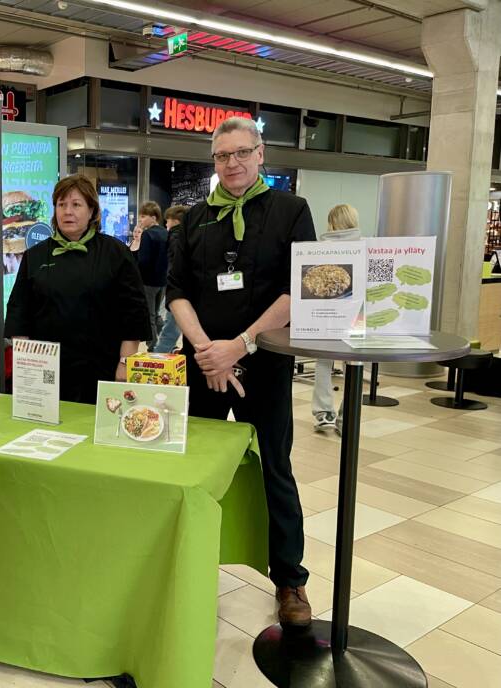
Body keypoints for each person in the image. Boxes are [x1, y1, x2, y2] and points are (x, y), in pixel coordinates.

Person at [165, 116, 317, 627]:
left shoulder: (291, 211)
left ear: (260, 154)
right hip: (203, 364)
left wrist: (241, 346)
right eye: (221, 155)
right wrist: (208, 350)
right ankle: (187, 565)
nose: (231, 163)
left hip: (267, 364)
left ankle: (290, 581)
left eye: (240, 153)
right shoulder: (194, 219)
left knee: (274, 467)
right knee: (194, 469)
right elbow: (177, 292)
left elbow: (299, 290)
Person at [5, 174, 152, 404]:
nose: (67, 211)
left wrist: (125, 363)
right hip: (46, 371)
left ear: (92, 211)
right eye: (61, 205)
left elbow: (134, 313)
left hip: (100, 367)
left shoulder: (115, 253)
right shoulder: (35, 255)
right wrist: (26, 364)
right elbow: (18, 310)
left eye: (76, 204)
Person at [312, 204, 360, 434]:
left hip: (326, 316)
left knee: (323, 363)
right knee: (353, 366)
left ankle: (323, 413)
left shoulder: (321, 248)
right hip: (356, 317)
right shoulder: (365, 248)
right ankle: (346, 416)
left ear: (331, 222)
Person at [151, 205, 188, 353]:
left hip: (177, 288)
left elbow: (175, 265)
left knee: (170, 328)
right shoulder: (188, 236)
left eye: (168, 221)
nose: (166, 224)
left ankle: (156, 361)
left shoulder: (175, 237)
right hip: (184, 288)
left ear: (176, 221)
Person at [136, 201, 169, 350]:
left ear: (154, 217)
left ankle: (153, 345)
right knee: (156, 313)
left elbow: (143, 260)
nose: (140, 220)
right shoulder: (165, 233)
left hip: (148, 281)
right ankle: (164, 339)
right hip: (162, 281)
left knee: (149, 315)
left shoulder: (148, 235)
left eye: (143, 216)